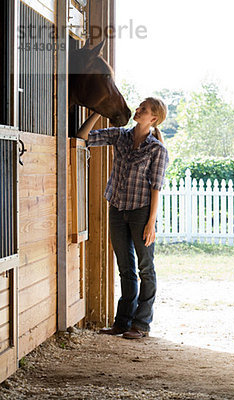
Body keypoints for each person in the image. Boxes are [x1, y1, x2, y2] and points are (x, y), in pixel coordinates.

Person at [77, 97, 169, 339]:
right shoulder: (120, 136)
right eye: (139, 107)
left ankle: (141, 325)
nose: (137, 111)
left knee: (145, 268)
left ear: (154, 118)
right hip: (117, 208)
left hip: (141, 212)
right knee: (125, 268)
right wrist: (98, 110)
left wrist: (151, 223)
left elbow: (156, 187)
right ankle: (122, 322)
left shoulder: (157, 149)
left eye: (144, 109)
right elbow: (83, 136)